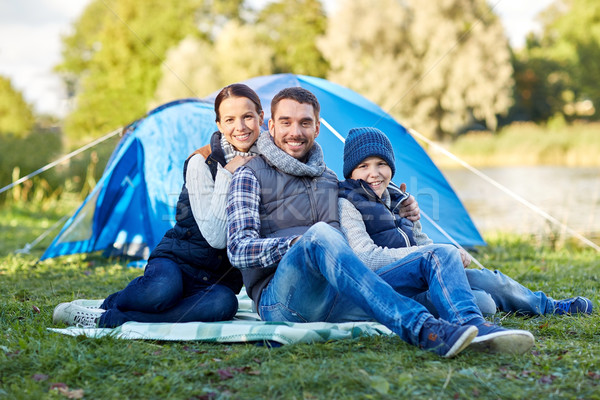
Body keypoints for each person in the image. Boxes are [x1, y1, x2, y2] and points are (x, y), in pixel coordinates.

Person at [226, 86, 534, 357]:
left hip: (337, 292)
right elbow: (238, 249)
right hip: (282, 301)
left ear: (317, 128)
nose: (296, 131)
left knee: (439, 253)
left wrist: (399, 206)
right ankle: (423, 330)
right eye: (286, 122)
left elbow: (364, 201)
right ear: (271, 125)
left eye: (305, 122)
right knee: (320, 235)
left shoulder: (330, 179)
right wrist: (300, 245)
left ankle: (474, 326)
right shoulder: (249, 175)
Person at [53, 83, 264, 328]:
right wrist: (227, 174)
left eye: (248, 116)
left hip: (218, 280)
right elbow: (216, 238)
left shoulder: (269, 164)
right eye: (230, 119)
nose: (239, 127)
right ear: (219, 125)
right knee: (161, 291)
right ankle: (108, 305)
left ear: (260, 116)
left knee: (224, 305)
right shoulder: (201, 162)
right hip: (177, 262)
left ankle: (111, 317)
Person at [338, 126, 593, 318]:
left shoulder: (398, 198)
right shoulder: (348, 203)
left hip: (428, 271)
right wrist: (433, 255)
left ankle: (549, 305)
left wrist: (448, 254)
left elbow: (421, 240)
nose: (374, 173)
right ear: (351, 172)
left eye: (381, 163)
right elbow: (366, 257)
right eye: (364, 166)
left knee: (492, 280)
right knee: (484, 304)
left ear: (391, 167)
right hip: (394, 287)